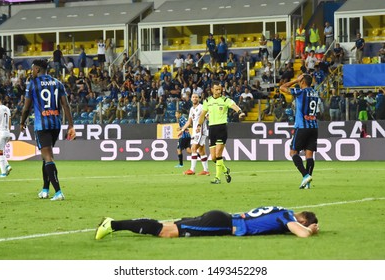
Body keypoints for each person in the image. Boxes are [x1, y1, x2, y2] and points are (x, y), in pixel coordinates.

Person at [20, 59, 76, 201]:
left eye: (32, 69)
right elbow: (66, 106)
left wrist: (22, 122)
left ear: (37, 69)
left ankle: (58, 192)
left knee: (48, 157)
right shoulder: (57, 83)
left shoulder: (33, 84)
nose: (31, 72)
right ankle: (45, 189)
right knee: (46, 157)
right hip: (55, 125)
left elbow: (26, 107)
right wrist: (71, 125)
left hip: (42, 125)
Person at [95, 205, 319, 240]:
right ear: (303, 219)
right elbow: (302, 234)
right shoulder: (287, 217)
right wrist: (309, 229)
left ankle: (114, 224)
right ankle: (112, 225)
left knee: (166, 225)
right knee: (165, 232)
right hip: (221, 224)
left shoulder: (279, 209)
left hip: (221, 218)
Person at [197, 81, 245, 184]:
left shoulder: (225, 100)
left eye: (220, 89)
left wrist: (240, 112)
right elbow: (202, 115)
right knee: (214, 158)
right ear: (212, 90)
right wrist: (198, 125)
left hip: (221, 128)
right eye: (217, 89)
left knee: (219, 154)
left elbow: (234, 106)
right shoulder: (207, 101)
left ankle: (217, 178)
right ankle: (225, 170)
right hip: (212, 129)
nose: (219, 91)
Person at [280, 74, 320, 189]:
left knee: (293, 152)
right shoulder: (315, 93)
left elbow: (282, 88)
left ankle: (305, 175)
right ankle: (307, 183)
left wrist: (294, 80)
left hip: (302, 126)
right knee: (309, 155)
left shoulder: (301, 92)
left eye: (300, 81)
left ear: (302, 82)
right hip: (314, 126)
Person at [179, 93, 209, 176]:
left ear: (198, 99)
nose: (195, 98)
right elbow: (189, 122)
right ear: (191, 99)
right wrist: (182, 129)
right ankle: (206, 170)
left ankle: (192, 169)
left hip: (201, 131)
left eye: (196, 97)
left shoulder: (202, 107)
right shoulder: (192, 109)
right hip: (195, 132)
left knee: (193, 148)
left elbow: (207, 116)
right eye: (193, 97)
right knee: (202, 151)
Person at [0, 94, 12, 178]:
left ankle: (5, 170)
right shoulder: (7, 108)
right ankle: (6, 167)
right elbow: (9, 121)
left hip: (0, 132)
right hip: (7, 132)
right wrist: (9, 132)